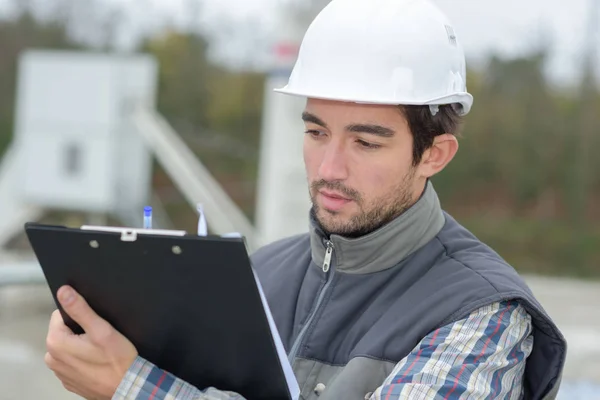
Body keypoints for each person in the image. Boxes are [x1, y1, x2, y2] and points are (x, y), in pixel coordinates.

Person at [44, 0, 567, 399]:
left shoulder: (481, 314)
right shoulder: (256, 274)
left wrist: (134, 386)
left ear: (435, 153)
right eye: (316, 133)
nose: (330, 169)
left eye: (365, 141)